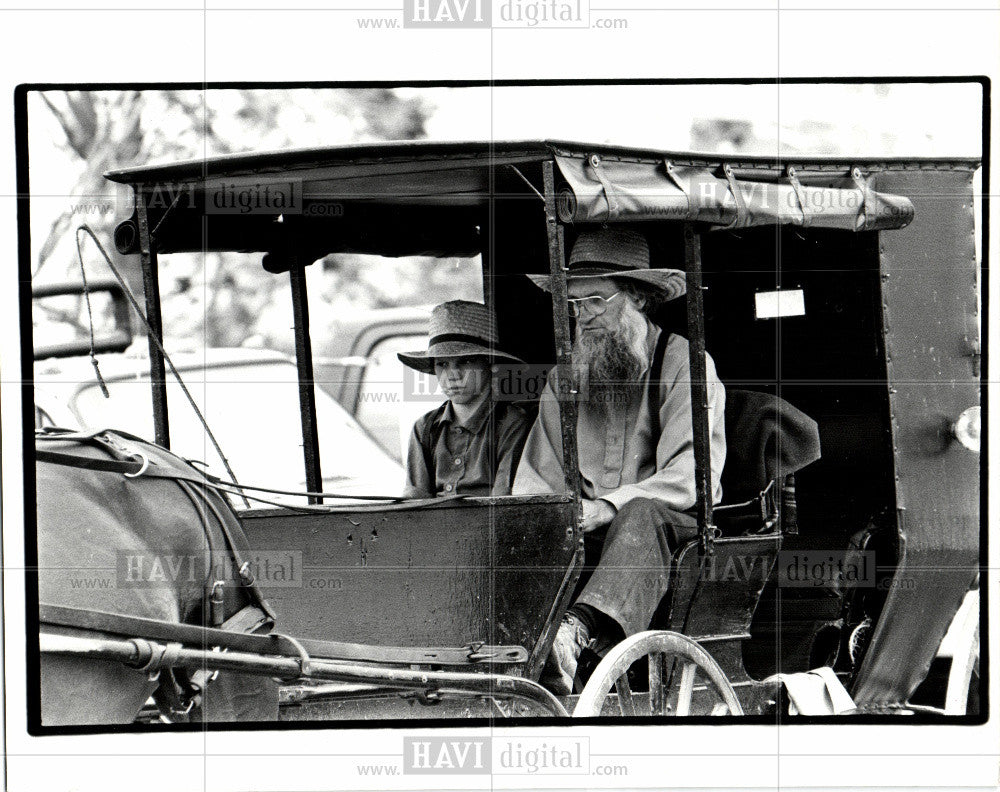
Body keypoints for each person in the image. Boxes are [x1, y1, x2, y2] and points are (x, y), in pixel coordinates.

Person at [512, 226, 727, 694]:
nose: (581, 317)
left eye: (595, 302)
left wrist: (608, 507)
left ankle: (574, 633)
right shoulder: (563, 380)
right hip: (587, 533)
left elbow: (692, 476)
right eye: (573, 305)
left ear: (639, 298)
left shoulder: (684, 364)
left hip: (671, 533)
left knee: (640, 513)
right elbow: (536, 479)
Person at [398, 300, 532, 499]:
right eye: (442, 364)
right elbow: (415, 503)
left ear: (490, 364)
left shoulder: (511, 424)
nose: (452, 375)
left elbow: (504, 505)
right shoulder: (425, 428)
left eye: (466, 361)